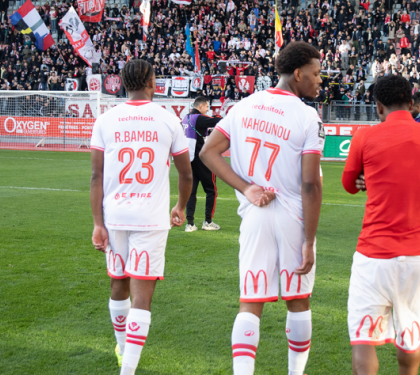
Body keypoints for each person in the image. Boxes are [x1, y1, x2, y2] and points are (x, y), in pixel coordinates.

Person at [200, 41, 324, 375]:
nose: (319, 80)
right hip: (293, 216)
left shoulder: (244, 105)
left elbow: (208, 152)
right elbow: (310, 184)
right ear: (297, 74)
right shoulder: (307, 116)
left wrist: (246, 188)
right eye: (315, 73)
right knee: (298, 299)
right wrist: (309, 241)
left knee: (250, 301)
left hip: (255, 214)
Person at [88, 59, 194, 375]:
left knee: (118, 282)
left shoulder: (105, 120)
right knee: (142, 296)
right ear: (151, 83)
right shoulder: (169, 120)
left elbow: (96, 176)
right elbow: (186, 174)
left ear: (123, 83)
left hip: (115, 216)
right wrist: (180, 206)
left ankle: (122, 349)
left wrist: (97, 223)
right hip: (151, 217)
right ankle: (128, 369)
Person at [340, 74, 420, 375]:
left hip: (374, 253)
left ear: (378, 106)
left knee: (364, 339)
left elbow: (348, 184)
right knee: (410, 335)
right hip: (417, 254)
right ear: (412, 104)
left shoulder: (365, 136)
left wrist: (366, 179)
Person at [181, 97, 222, 232]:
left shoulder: (186, 118)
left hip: (189, 159)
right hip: (202, 159)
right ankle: (208, 221)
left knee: (191, 192)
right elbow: (218, 121)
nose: (207, 109)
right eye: (207, 107)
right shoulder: (199, 118)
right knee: (211, 190)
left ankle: (190, 224)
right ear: (201, 106)